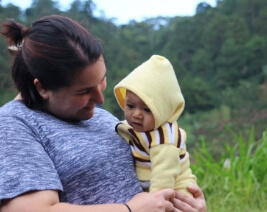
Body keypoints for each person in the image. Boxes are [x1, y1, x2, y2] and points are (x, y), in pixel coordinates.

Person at [0, 15, 207, 212]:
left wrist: (188, 204)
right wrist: (130, 209)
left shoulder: (94, 115)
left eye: (101, 81)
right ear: (42, 88)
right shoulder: (14, 125)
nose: (100, 99)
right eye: (83, 91)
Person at [114, 55, 197, 194]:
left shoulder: (164, 140)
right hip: (147, 180)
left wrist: (155, 202)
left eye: (147, 109)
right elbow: (125, 129)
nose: (136, 115)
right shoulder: (137, 126)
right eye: (130, 106)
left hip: (176, 187)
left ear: (164, 111)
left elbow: (163, 179)